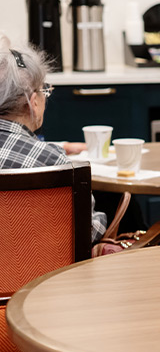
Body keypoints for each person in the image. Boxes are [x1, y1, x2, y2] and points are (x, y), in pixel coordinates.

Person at [0, 42, 107, 242]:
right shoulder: (50, 160)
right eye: (44, 91)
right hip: (44, 271)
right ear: (33, 102)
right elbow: (87, 231)